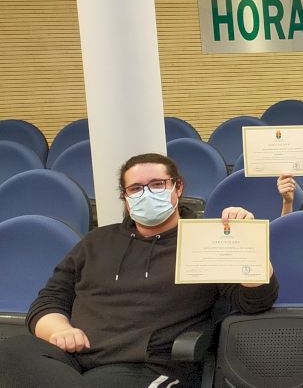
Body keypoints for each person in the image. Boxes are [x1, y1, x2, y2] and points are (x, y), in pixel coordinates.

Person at [0, 153, 278, 388]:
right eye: (135, 188)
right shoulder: (96, 241)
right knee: (11, 351)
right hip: (74, 358)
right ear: (125, 197)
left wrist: (245, 241)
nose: (146, 193)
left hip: (148, 366)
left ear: (178, 187)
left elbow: (255, 300)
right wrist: (59, 330)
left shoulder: (204, 239)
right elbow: (49, 300)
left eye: (157, 184)